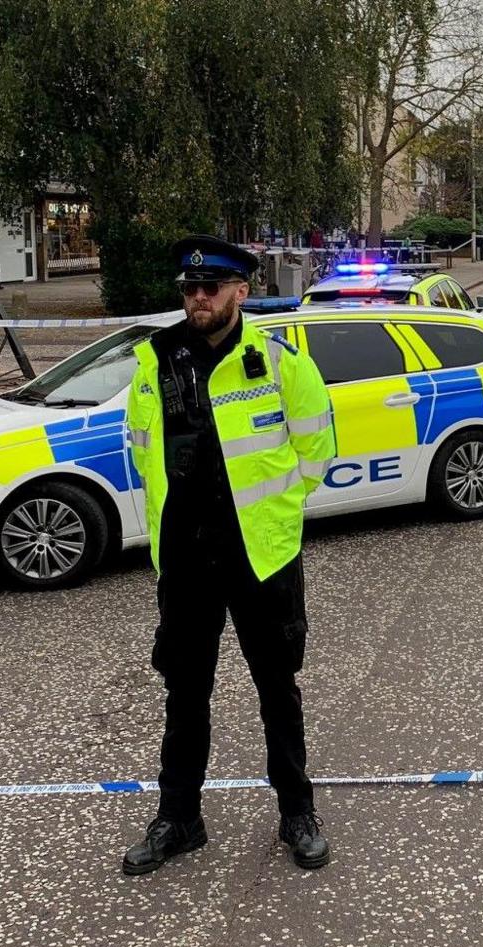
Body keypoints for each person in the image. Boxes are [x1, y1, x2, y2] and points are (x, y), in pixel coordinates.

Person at [122, 234, 338, 877]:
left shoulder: (277, 361)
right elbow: (141, 448)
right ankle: (178, 818)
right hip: (185, 560)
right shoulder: (154, 362)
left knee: (278, 687)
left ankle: (296, 812)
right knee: (184, 691)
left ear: (240, 292)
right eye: (188, 289)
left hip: (259, 557)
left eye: (209, 287)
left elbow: (317, 451)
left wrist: (272, 514)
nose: (197, 298)